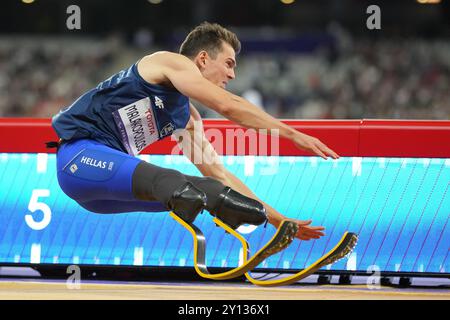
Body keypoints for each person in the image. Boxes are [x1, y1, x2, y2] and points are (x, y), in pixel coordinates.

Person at [51, 22, 338, 241]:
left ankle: (243, 231)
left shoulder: (187, 118)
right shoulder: (167, 62)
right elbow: (228, 106)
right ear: (202, 59)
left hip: (104, 193)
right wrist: (293, 134)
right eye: (228, 63)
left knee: (206, 191)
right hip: (79, 160)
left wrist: (278, 220)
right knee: (175, 183)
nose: (232, 74)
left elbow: (220, 175)